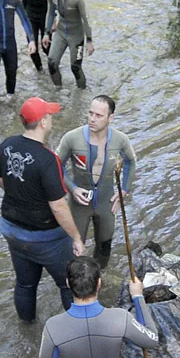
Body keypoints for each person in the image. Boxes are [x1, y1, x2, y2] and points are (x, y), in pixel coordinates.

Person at [0, 98, 88, 322]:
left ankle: (27, 325)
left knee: (25, 283)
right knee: (68, 284)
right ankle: (75, 331)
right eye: (50, 115)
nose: (51, 119)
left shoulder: (7, 145)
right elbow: (58, 206)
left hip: (12, 230)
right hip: (46, 237)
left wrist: (22, 191)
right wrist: (76, 238)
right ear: (43, 122)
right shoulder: (48, 159)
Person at [55, 95, 136, 269]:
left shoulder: (120, 140)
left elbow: (131, 161)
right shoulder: (72, 138)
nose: (92, 119)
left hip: (106, 203)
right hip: (78, 203)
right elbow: (55, 166)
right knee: (74, 251)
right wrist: (72, 188)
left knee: (104, 248)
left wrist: (124, 189)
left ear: (111, 118)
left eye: (99, 115)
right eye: (90, 113)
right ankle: (75, 284)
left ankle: (98, 281)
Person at [43, 0, 93, 89]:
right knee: (51, 63)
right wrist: (46, 32)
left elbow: (86, 19)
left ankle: (81, 94)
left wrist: (89, 41)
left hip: (76, 36)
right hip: (61, 33)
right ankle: (58, 89)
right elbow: (50, 13)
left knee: (75, 67)